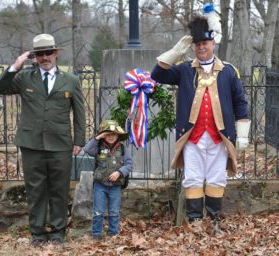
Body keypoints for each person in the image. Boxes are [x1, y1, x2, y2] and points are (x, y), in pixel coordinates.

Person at [151, 11, 251, 231]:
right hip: (192, 136)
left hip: (219, 136)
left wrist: (242, 135)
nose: (201, 48)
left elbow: (240, 103)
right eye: (196, 44)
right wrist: (176, 52)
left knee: (216, 178)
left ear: (213, 43)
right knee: (193, 178)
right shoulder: (185, 70)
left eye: (205, 43)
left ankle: (213, 221)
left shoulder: (228, 71)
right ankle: (196, 222)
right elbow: (156, 75)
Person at [0, 33, 86, 246]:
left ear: (55, 54)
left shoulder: (70, 80)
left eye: (48, 53)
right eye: (39, 54)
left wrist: (79, 141)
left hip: (60, 144)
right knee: (35, 190)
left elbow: (79, 112)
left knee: (59, 189)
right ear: (34, 56)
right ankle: (37, 233)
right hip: (31, 143)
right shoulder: (25, 77)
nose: (44, 57)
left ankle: (57, 232)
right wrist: (16, 65)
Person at [84, 120, 133, 240]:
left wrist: (119, 172)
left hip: (115, 186)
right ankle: (96, 234)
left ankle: (113, 234)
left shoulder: (122, 148)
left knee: (114, 212)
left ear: (118, 135)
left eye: (114, 134)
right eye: (108, 134)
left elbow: (129, 165)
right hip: (100, 185)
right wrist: (97, 138)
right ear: (104, 135)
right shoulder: (98, 147)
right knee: (98, 211)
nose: (111, 137)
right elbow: (87, 149)